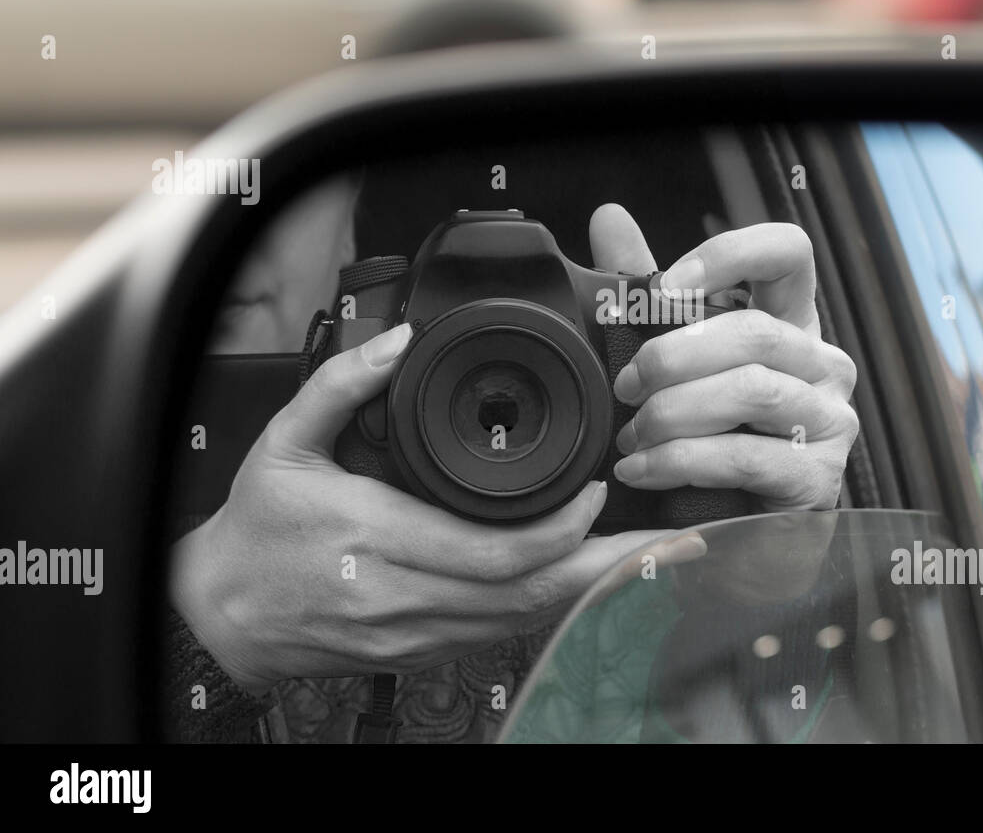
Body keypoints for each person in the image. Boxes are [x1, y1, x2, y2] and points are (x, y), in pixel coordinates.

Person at [164, 176, 860, 742]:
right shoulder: (72, 467)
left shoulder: (653, 453)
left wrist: (766, 586)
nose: (220, 209)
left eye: (273, 168)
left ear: (347, 217)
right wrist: (217, 619)